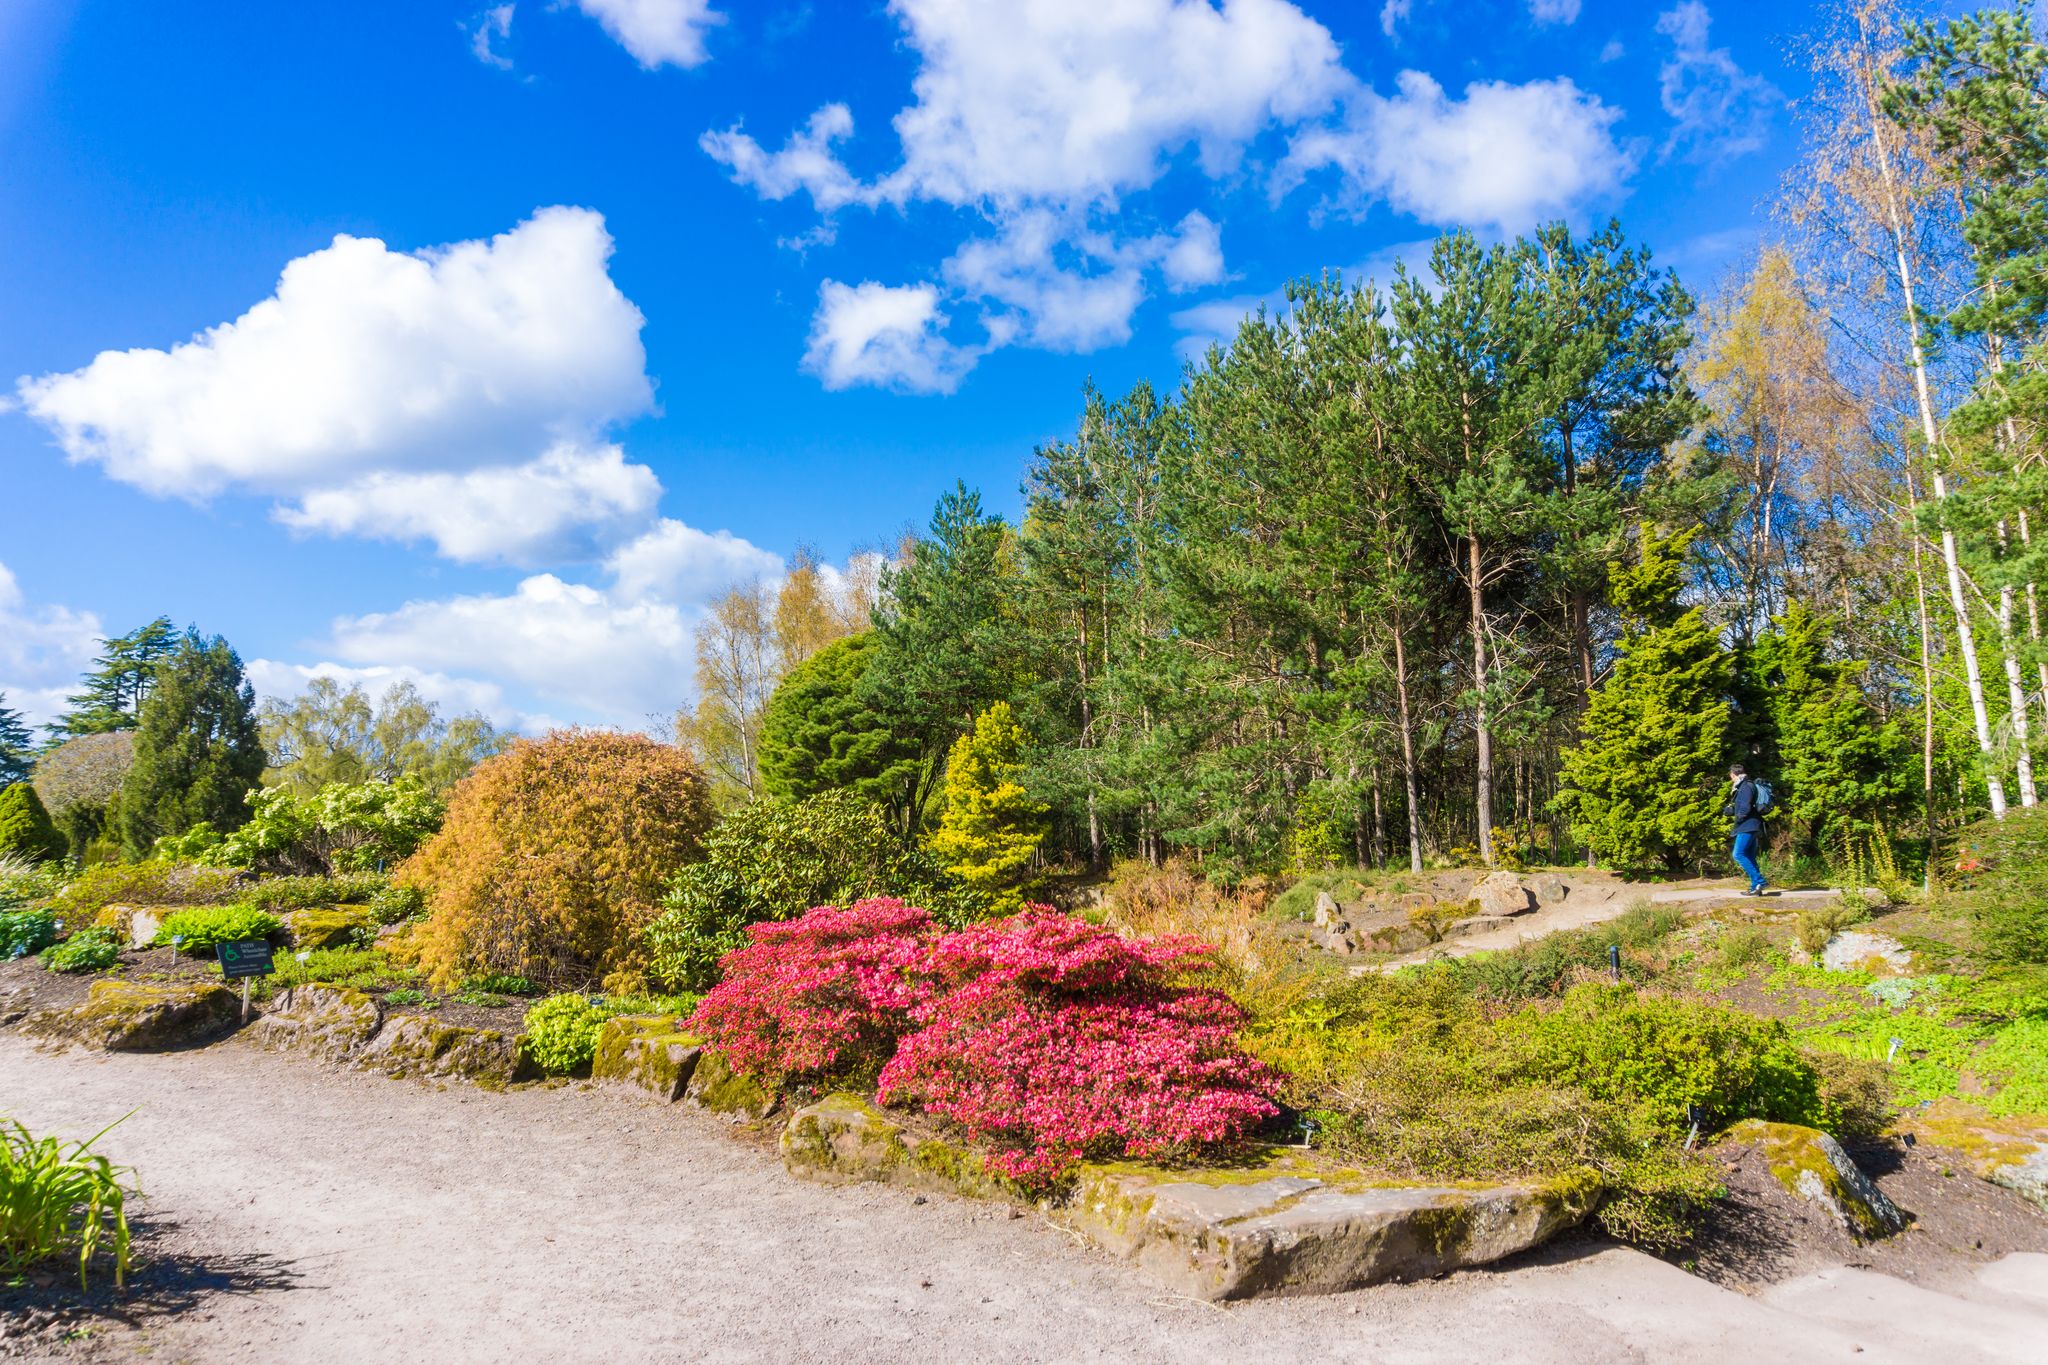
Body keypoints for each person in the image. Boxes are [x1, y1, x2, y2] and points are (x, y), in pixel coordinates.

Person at [1727, 764, 1769, 896]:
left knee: (1738, 854)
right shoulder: (1745, 786)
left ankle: (1760, 881)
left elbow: (1745, 807)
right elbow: (1745, 805)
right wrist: (1732, 811)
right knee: (1749, 856)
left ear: (1733, 775)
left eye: (1731, 777)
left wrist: (1739, 818)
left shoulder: (1745, 786)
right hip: (1752, 825)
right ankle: (1755, 887)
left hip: (1747, 826)